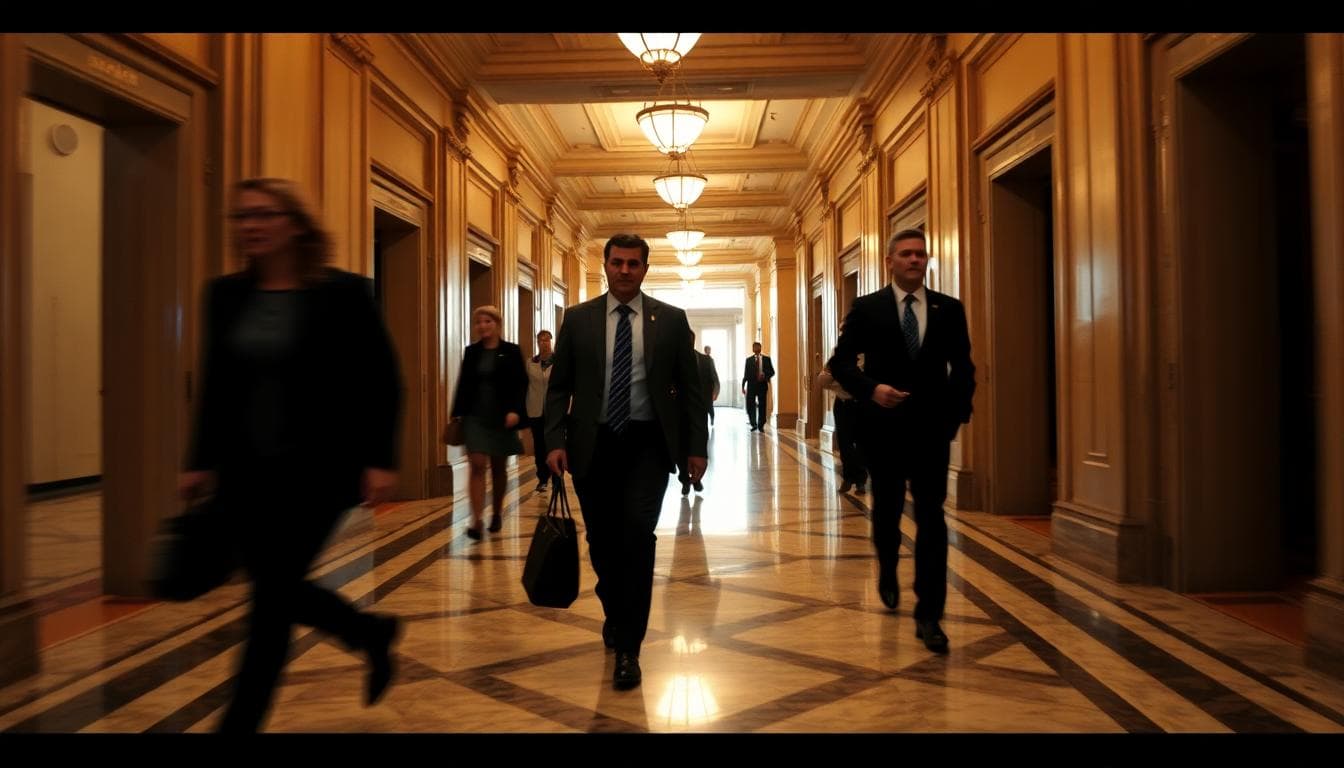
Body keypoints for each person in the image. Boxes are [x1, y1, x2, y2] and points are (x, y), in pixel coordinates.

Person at [179, 177, 404, 733]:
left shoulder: (343, 293)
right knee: (275, 591)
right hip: (243, 471)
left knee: (270, 604)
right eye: (241, 217)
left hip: (319, 472)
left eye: (263, 214)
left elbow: (382, 379)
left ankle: (238, 724)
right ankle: (369, 634)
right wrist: (198, 458)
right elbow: (215, 382)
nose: (249, 226)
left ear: (296, 224)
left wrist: (379, 458)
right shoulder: (224, 294)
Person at [544, 233, 708, 691]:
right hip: (592, 443)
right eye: (617, 262)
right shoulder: (578, 320)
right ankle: (614, 607)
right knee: (601, 540)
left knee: (637, 533)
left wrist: (697, 447)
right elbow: (560, 387)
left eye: (634, 264)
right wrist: (554, 439)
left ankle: (630, 648)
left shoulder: (671, 321)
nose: (624, 271)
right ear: (606, 264)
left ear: (645, 269)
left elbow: (691, 391)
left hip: (648, 443)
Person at [827, 228, 975, 654]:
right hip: (883, 429)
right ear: (890, 260)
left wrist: (954, 419)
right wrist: (872, 389)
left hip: (931, 431)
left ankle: (929, 615)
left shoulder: (948, 309)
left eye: (920, 254)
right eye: (906, 254)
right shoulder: (868, 307)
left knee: (932, 519)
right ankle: (888, 567)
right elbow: (840, 362)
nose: (914, 260)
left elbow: (963, 368)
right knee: (887, 511)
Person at [450, 305, 528, 539]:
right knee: (477, 464)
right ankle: (476, 521)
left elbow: (521, 384)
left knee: (498, 468)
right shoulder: (472, 352)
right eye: (478, 322)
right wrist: (457, 413)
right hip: (475, 416)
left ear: (497, 324)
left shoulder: (511, 351)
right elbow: (463, 383)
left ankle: (496, 512)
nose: (482, 326)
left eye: (487, 322)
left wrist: (516, 411)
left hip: (502, 417)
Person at [817, 338, 868, 494]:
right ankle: (848, 478)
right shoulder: (836, 354)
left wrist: (839, 379)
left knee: (861, 443)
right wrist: (842, 380)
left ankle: (860, 480)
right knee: (844, 443)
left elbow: (861, 380)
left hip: (860, 404)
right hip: (842, 403)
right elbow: (823, 379)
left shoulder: (867, 354)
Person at [679, 333, 719, 495]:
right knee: (682, 446)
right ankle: (685, 481)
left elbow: (714, 378)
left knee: (699, 444)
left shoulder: (705, 360)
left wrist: (714, 393)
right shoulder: (674, 359)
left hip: (701, 409)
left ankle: (697, 479)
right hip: (680, 411)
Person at [525, 329, 556, 494]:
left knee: (554, 444)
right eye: (541, 340)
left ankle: (556, 478)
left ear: (551, 342)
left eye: (547, 340)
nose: (544, 343)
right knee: (539, 446)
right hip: (535, 410)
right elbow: (525, 386)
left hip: (553, 410)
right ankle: (542, 478)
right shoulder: (531, 363)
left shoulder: (558, 361)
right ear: (537, 342)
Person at [741, 341, 774, 432]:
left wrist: (765, 375)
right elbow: (746, 374)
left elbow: (772, 372)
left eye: (757, 347)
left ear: (760, 348)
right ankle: (753, 424)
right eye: (754, 347)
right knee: (750, 406)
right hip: (751, 386)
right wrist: (743, 386)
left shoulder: (767, 359)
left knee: (762, 405)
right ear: (752, 349)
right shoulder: (748, 360)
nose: (756, 348)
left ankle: (761, 425)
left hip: (762, 386)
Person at [702, 345, 720, 425]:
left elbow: (714, 374)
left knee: (709, 405)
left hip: (709, 387)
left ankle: (712, 418)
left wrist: (715, 391)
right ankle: (706, 420)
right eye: (707, 350)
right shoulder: (702, 359)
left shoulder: (711, 360)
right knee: (705, 406)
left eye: (709, 350)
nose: (708, 351)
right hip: (704, 387)